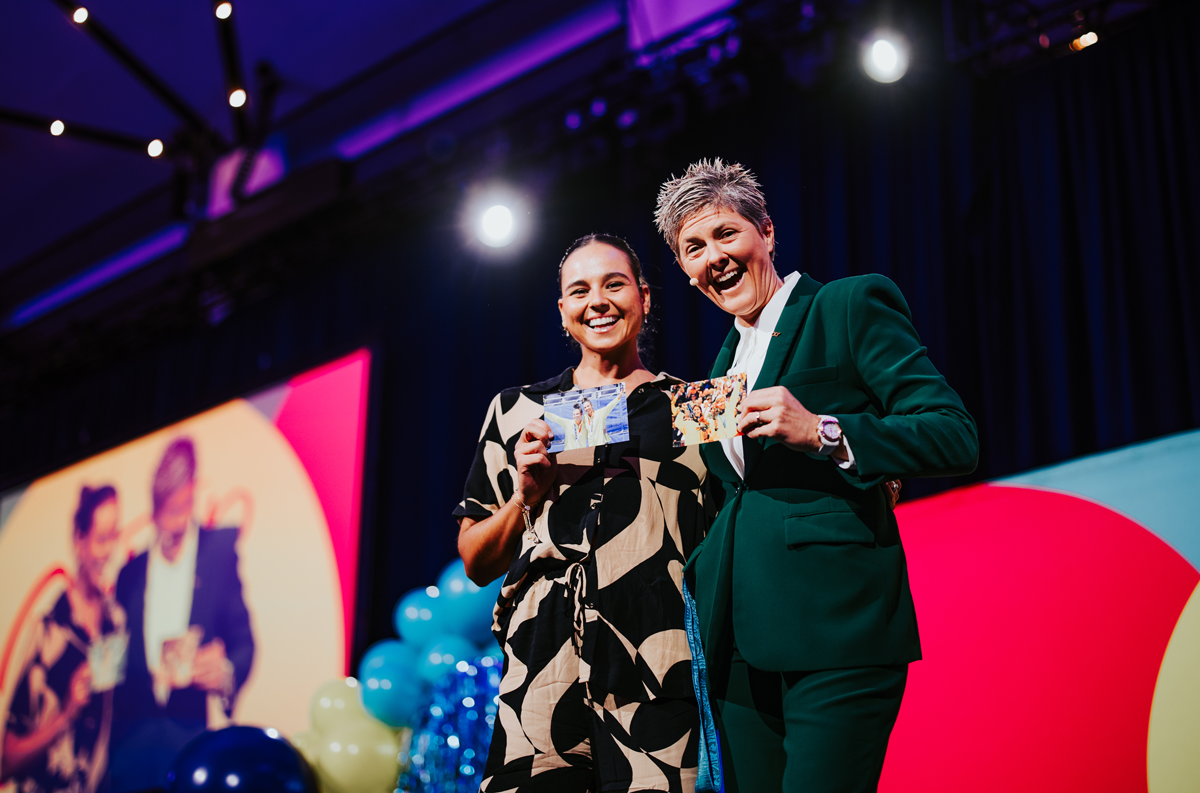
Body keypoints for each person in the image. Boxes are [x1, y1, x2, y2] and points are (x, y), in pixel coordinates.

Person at [655, 159, 978, 792]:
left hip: (837, 630)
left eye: (726, 234)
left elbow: (952, 433)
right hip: (738, 649)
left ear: (767, 232)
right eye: (693, 248)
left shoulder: (848, 303)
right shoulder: (718, 371)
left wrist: (827, 434)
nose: (712, 257)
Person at [454, 233, 716, 793]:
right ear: (563, 312)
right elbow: (476, 562)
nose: (597, 300)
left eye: (614, 284)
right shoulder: (517, 412)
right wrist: (525, 495)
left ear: (643, 297)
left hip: (657, 662)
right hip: (540, 666)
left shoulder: (696, 408)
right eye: (580, 290)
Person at [108, 437, 255, 792]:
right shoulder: (130, 573)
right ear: (154, 509)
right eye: (165, 513)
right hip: (130, 750)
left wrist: (225, 673)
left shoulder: (218, 553)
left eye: (181, 509)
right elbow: (117, 657)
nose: (173, 524)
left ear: (192, 494)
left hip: (189, 743)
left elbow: (244, 642)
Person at [2, 485, 126, 793]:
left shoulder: (117, 624)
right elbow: (6, 758)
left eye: (115, 536)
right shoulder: (47, 632)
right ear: (79, 541)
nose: (110, 550)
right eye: (101, 538)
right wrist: (66, 714)